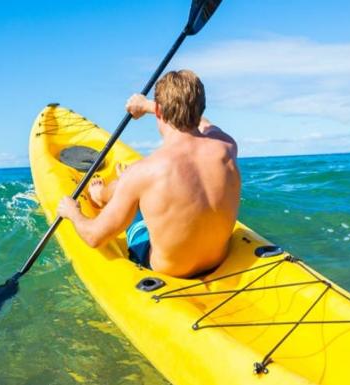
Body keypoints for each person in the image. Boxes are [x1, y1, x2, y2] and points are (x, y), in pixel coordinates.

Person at [57, 70, 240, 278]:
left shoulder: (145, 171)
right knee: (135, 183)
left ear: (159, 112)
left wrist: (73, 212)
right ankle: (111, 191)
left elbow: (94, 237)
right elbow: (204, 123)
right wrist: (148, 105)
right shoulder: (226, 145)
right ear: (201, 107)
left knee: (132, 185)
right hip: (217, 260)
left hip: (169, 271)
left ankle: (101, 195)